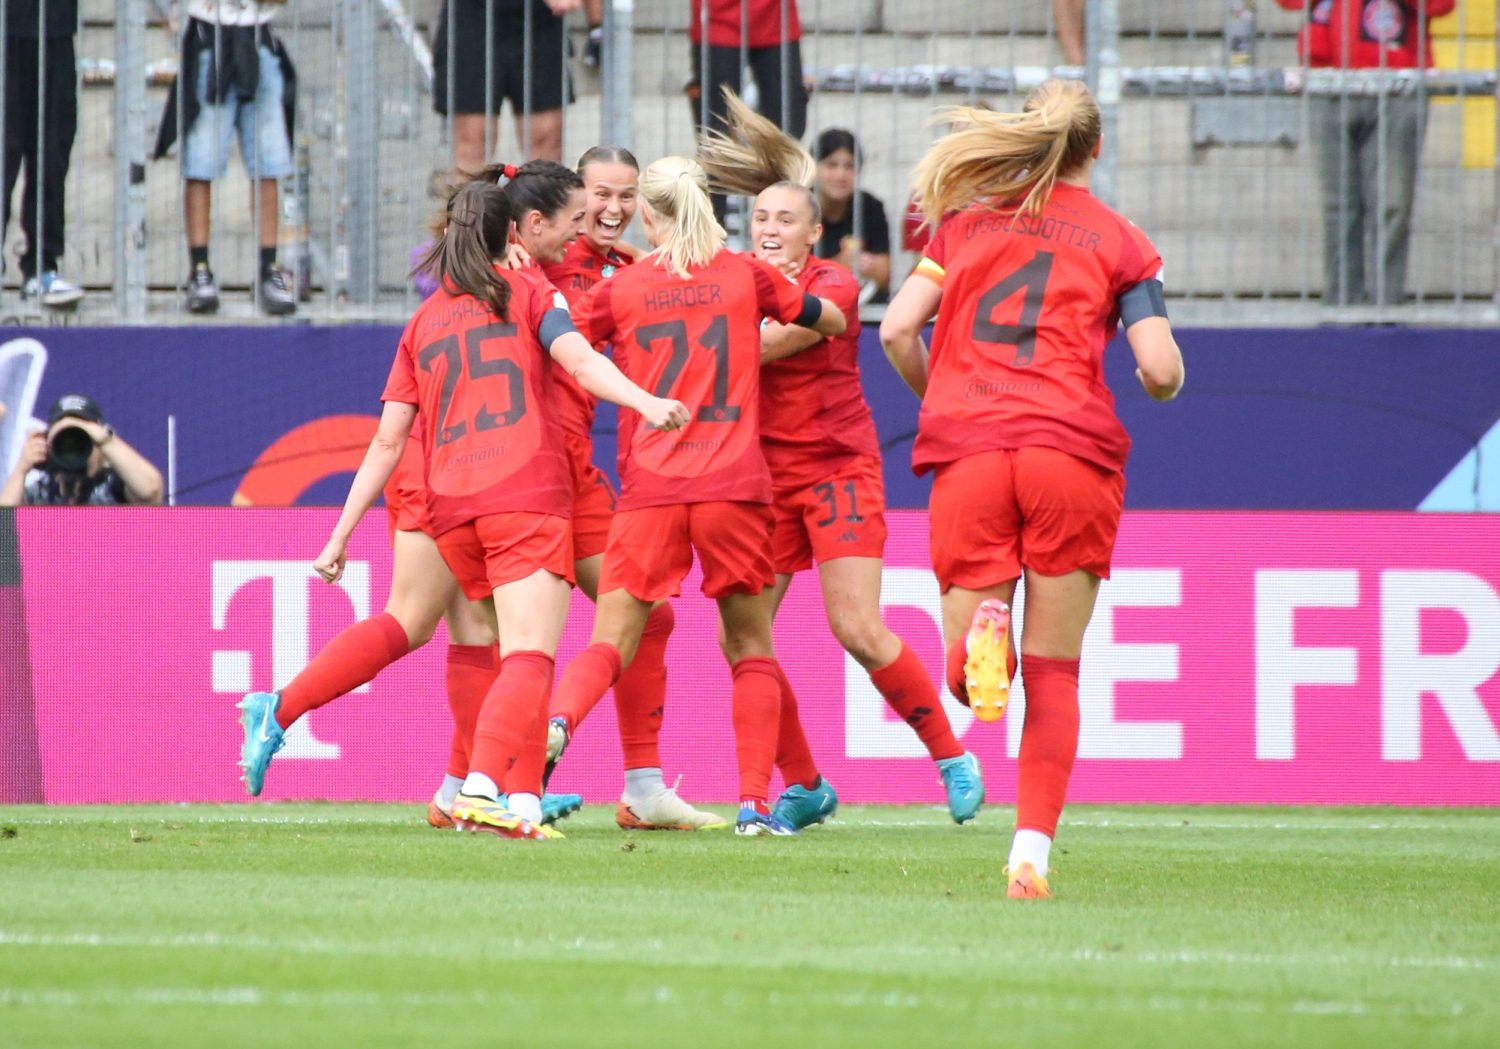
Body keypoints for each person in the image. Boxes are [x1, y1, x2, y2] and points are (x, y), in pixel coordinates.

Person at [240, 176, 687, 840]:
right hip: (527, 487)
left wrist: (339, 534)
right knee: (525, 649)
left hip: (450, 496)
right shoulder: (533, 288)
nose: (592, 220)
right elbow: (581, 361)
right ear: (521, 228)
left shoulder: (424, 319)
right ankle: (485, 785)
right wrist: (649, 403)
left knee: (470, 634)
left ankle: (495, 794)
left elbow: (389, 435)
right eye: (580, 211)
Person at [880, 80, 1185, 898]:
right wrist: (1169, 383)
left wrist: (944, 401)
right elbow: (1157, 368)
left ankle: (984, 638)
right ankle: (1030, 857)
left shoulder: (963, 225)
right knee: (1055, 673)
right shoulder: (1121, 239)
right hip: (1069, 454)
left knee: (971, 677)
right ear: (1096, 148)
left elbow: (896, 328)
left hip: (970, 450)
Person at [697, 91, 985, 829]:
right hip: (760, 480)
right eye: (759, 218)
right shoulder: (731, 280)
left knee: (856, 627)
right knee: (743, 639)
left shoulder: (831, 287)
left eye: (784, 220)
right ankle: (802, 785)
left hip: (834, 468)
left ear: (813, 232)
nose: (768, 229)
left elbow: (757, 344)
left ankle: (951, 755)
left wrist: (681, 326)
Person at [545, 154, 847, 836]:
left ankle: (556, 724)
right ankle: (752, 805)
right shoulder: (747, 274)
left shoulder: (622, 289)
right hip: (734, 487)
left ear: (648, 216)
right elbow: (828, 319)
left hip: (652, 487)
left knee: (614, 636)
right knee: (750, 645)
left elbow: (568, 346)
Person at [527, 147, 725, 832]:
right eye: (599, 194)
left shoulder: (633, 271)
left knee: (649, 616)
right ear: (574, 195)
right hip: (522, 467)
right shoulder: (537, 257)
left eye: (625, 195)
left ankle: (639, 787)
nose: (611, 208)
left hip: (578, 470)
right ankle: (495, 780)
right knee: (494, 628)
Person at [1274, 1, 1455, 306]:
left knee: (1392, 203)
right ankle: (1342, 306)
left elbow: (1441, 5)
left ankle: (1386, 307)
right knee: (1339, 207)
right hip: (1328, 79)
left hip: (1399, 83)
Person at [166, 0, 298, 316]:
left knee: (268, 165)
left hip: (258, 35)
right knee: (200, 163)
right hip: (208, 36)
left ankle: (269, 269)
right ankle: (199, 269)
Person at [432, 0, 581, 171]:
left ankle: (541, 196)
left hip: (540, 20)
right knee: (472, 142)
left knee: (546, 143)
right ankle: (471, 198)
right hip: (473, 16)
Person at [3, 0, 84, 307]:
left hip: (54, 29)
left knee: (51, 152)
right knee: (4, 153)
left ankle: (42, 266)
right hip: (5, 31)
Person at [1, 395, 163, 507]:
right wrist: (22, 469)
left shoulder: (115, 486)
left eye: (81, 439)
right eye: (64, 440)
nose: (72, 447)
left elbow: (151, 491)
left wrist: (104, 439)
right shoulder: (41, 492)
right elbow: (4, 537)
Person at [812, 129, 890, 303]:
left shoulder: (870, 207)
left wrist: (864, 264)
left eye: (849, 166)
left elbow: (885, 274)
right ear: (813, 168)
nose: (841, 175)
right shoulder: (801, 206)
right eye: (831, 165)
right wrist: (839, 264)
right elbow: (794, 274)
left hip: (864, 307)